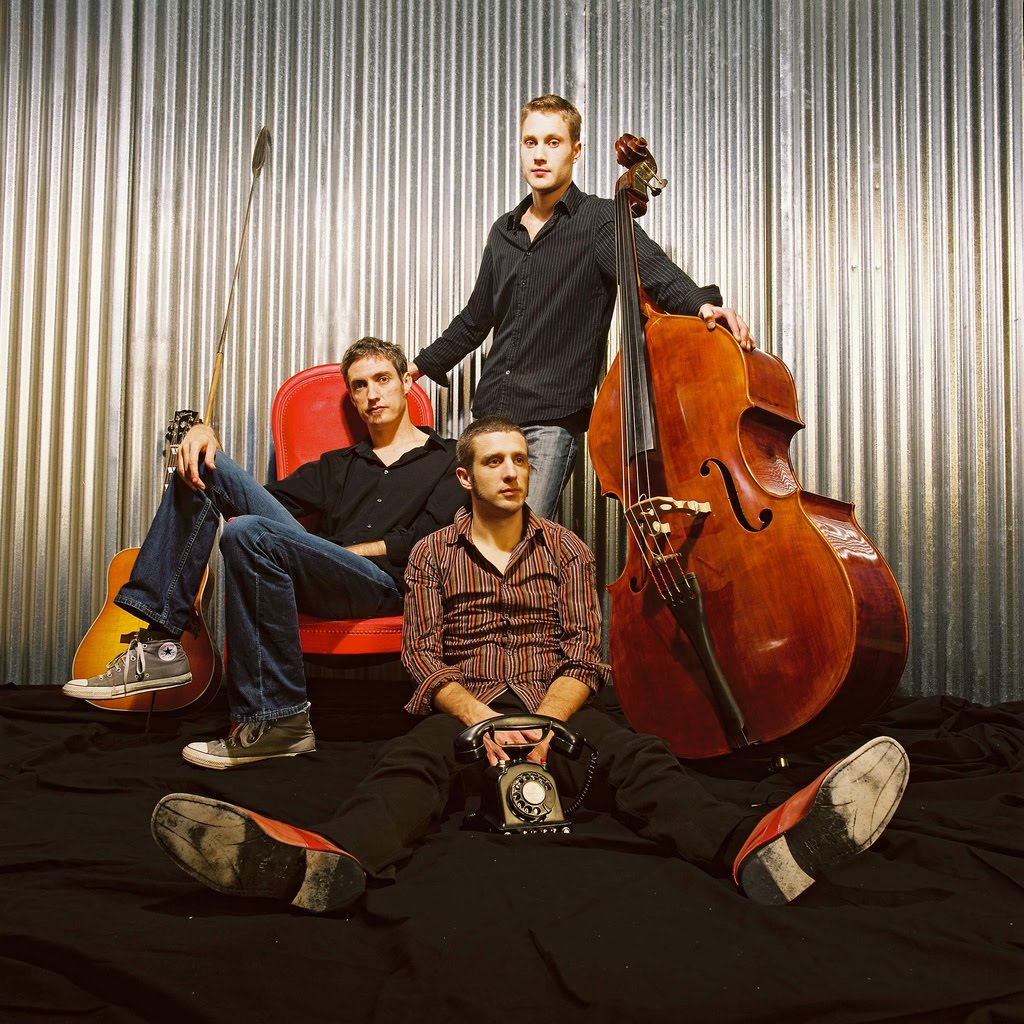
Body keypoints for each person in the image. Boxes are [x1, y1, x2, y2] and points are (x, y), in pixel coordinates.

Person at [150, 417, 909, 911]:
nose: (512, 472)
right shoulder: (432, 556)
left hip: (558, 707)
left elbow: (583, 655)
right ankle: (324, 863)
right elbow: (423, 658)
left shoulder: (568, 551)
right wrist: (483, 723)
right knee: (405, 771)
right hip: (469, 706)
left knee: (641, 761)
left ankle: (756, 849)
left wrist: (544, 723)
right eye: (494, 462)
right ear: (465, 477)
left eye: (520, 459)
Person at [64, 338, 465, 769]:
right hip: (319, 580)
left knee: (248, 531)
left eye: (382, 379)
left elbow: (424, 540)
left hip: (384, 586)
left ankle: (278, 720)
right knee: (212, 475)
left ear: (406, 382)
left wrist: (334, 551)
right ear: (352, 397)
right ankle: (162, 643)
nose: (372, 394)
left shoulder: (449, 458)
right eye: (359, 385)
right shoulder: (338, 464)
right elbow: (249, 500)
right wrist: (203, 437)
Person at [408, 94, 755, 519]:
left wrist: (702, 306)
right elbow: (475, 319)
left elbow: (655, 270)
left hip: (550, 421)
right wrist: (418, 367)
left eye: (553, 142)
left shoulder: (600, 220)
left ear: (576, 151)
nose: (539, 154)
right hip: (490, 416)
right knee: (478, 541)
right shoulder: (504, 231)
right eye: (530, 142)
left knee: (523, 539)